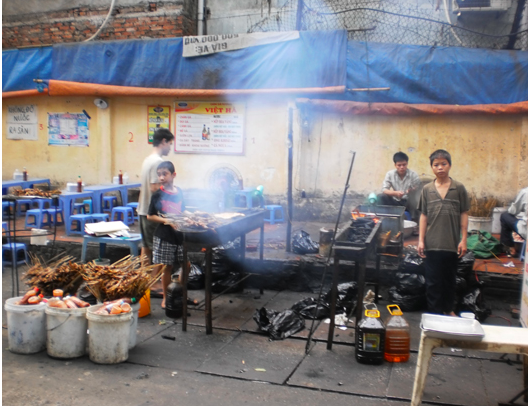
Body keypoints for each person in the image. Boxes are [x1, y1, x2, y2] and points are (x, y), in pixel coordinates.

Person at [417, 149, 469, 316]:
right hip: (432, 244)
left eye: (443, 164)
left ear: (450, 165)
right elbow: (423, 216)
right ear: (432, 167)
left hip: (451, 244)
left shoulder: (458, 188)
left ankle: (448, 310)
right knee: (433, 282)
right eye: (436, 165)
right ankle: (434, 313)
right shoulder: (427, 189)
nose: (440, 168)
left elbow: (464, 214)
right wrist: (421, 240)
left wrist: (464, 240)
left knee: (449, 280)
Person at [147, 161, 185, 308]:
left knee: (186, 265)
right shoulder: (158, 194)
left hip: (179, 234)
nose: (161, 177)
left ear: (173, 175)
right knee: (167, 267)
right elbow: (150, 216)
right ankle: (167, 298)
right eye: (159, 175)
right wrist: (166, 220)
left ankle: (177, 291)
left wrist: (191, 216)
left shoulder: (179, 191)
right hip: (164, 235)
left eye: (165, 174)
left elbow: (182, 210)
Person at [138, 128, 174, 265]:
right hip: (152, 212)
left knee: (146, 247)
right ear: (163, 141)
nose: (170, 148)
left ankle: (144, 281)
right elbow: (154, 187)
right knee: (157, 249)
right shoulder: (158, 162)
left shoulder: (148, 159)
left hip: (143, 209)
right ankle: (155, 282)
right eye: (169, 144)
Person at [378, 152, 420, 217]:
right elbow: (384, 189)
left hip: (408, 202)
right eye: (399, 165)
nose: (402, 167)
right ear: (395, 165)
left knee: (418, 199)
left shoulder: (413, 175)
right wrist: (395, 193)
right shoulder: (390, 174)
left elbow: (418, 188)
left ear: (407, 164)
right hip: (395, 201)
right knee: (381, 197)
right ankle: (385, 216)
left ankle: (414, 217)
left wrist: (411, 190)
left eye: (404, 165)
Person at [500, 186, 527, 257]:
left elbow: (513, 211)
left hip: (526, 232)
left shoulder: (525, 192)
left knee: (505, 216)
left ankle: (510, 248)